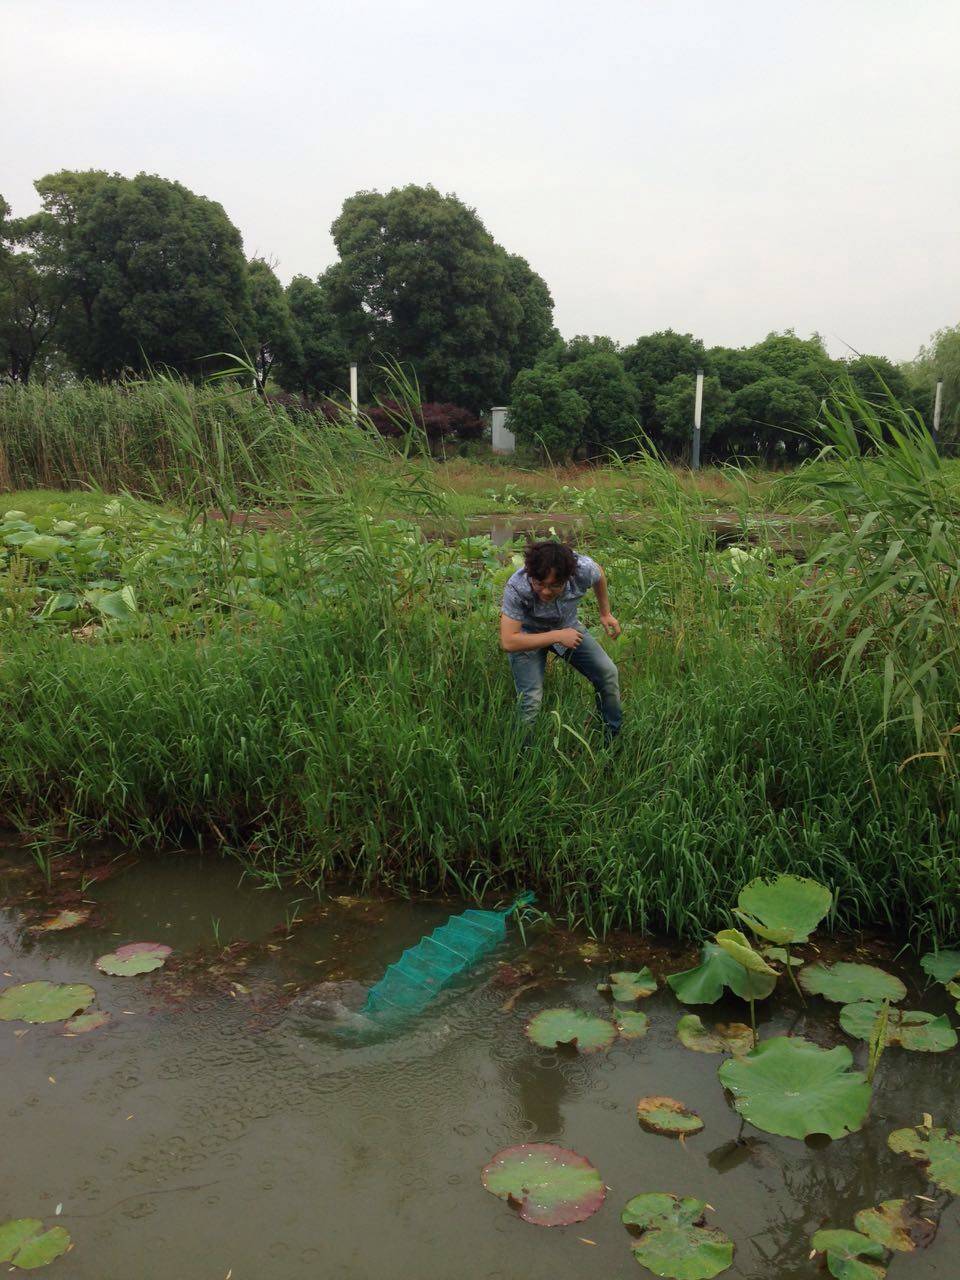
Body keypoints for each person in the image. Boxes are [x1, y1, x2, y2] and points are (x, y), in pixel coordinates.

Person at [499, 540, 622, 739]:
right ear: (531, 575)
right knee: (530, 700)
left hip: (567, 626)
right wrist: (557, 636)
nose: (546, 591)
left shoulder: (582, 569)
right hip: (527, 635)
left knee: (607, 673)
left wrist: (605, 613)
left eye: (555, 585)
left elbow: (598, 572)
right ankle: (521, 759)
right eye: (540, 584)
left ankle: (612, 737)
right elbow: (508, 641)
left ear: (568, 577)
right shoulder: (517, 586)